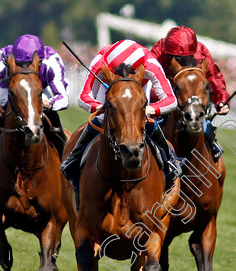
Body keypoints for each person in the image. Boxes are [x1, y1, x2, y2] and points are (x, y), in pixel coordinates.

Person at [60, 39, 180, 195]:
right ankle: (73, 158)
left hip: (138, 92)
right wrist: (105, 109)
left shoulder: (149, 62)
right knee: (102, 120)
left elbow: (171, 100)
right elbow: (84, 98)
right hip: (111, 94)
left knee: (146, 122)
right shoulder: (101, 60)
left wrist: (145, 110)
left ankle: (169, 159)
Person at [0, 34, 70, 170]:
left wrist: (47, 104)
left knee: (50, 116)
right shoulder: (3, 63)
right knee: (4, 110)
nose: (25, 71)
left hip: (39, 88)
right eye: (20, 65)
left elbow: (63, 99)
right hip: (9, 87)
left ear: (40, 61)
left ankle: (66, 152)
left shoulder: (51, 63)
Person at [150, 26, 231, 161]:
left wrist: (222, 100)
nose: (181, 62)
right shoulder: (158, 50)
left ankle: (212, 144)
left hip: (191, 98)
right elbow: (149, 78)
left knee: (202, 121)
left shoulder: (201, 51)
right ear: (168, 52)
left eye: (186, 58)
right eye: (175, 57)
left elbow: (213, 76)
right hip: (164, 94)